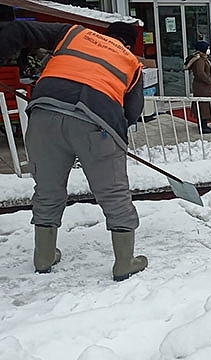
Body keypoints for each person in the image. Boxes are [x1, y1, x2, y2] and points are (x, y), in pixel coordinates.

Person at [0, 21, 147, 281]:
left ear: (105, 35)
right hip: (97, 123)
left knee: (47, 189)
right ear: (130, 44)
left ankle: (43, 257)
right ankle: (125, 262)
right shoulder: (132, 63)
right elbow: (133, 112)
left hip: (44, 114)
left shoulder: (75, 33)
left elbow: (21, 29)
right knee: (114, 194)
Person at [184, 40, 211, 134]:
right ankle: (203, 126)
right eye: (207, 48)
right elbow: (200, 73)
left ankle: (203, 125)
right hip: (203, 87)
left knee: (204, 105)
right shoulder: (200, 60)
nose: (208, 50)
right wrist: (209, 81)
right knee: (204, 106)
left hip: (203, 86)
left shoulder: (202, 58)